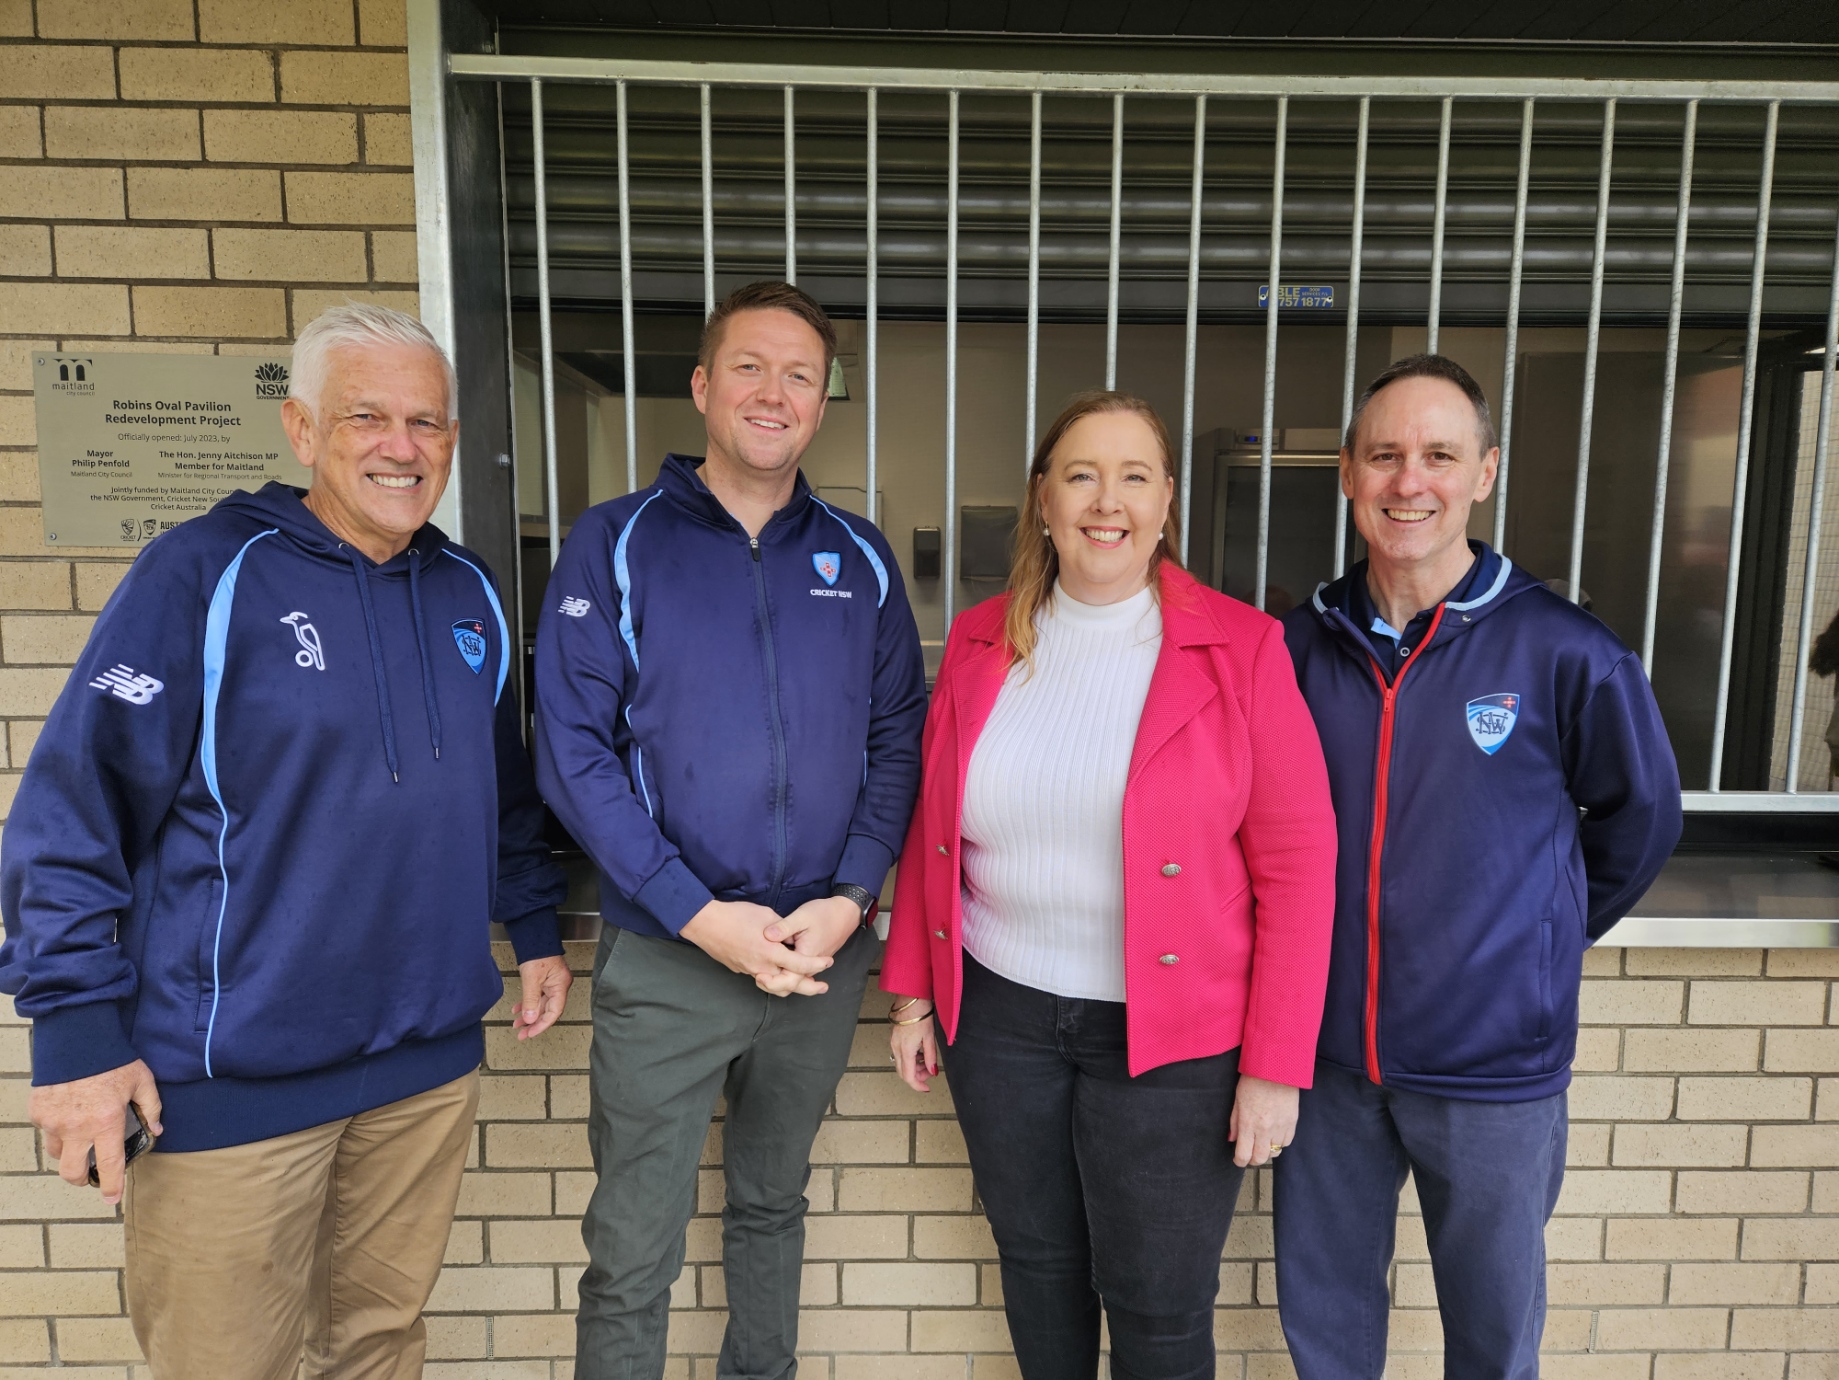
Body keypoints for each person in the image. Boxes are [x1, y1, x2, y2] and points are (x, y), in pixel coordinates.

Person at [0, 303, 571, 1380]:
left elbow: (495, 794)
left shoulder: (470, 592)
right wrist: (76, 1039)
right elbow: (76, 808)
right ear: (303, 430)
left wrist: (532, 923)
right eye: (368, 416)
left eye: (428, 422)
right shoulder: (202, 575)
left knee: (379, 1347)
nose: (403, 446)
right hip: (230, 1083)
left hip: (422, 1070)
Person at [881, 391, 1338, 1380]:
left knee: (1158, 1302)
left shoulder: (1243, 648)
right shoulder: (974, 643)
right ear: (1043, 499)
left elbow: (1300, 867)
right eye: (1082, 474)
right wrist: (914, 988)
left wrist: (1275, 1064)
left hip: (1174, 1040)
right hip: (998, 1022)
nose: (1107, 500)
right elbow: (932, 830)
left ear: (1166, 503)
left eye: (1134, 476)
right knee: (1039, 1269)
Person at [535, 280, 928, 1378]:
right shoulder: (617, 543)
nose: (774, 392)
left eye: (800, 374)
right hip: (671, 957)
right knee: (632, 1252)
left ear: (822, 400)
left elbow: (901, 736)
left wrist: (851, 897)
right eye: (749, 367)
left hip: (815, 957)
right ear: (703, 387)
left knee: (770, 1207)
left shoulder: (858, 557)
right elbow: (571, 754)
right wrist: (696, 914)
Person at [1275, 354, 1682, 1380]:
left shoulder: (1567, 650)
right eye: (1385, 455)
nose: (1410, 480)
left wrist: (1536, 934)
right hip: (1326, 1061)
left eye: (1439, 455)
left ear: (1485, 473)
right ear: (1348, 474)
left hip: (1493, 1068)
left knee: (1495, 1341)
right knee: (1325, 1332)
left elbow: (1639, 820)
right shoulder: (1294, 650)